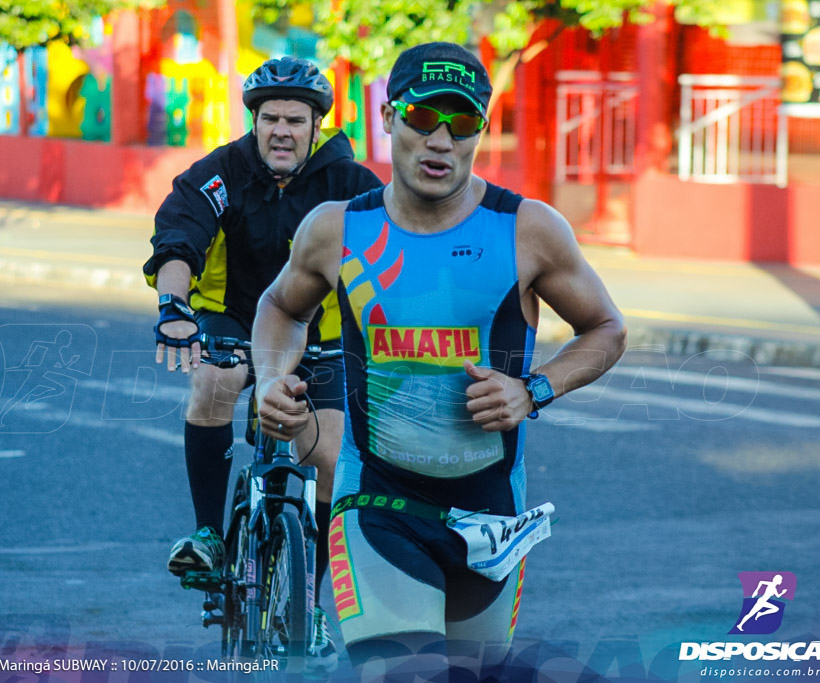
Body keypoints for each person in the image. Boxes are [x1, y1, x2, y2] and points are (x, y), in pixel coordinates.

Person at [251, 42, 627, 680]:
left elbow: (605, 329)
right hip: (378, 501)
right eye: (424, 119)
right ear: (389, 118)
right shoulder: (337, 228)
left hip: (491, 513)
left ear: (482, 127)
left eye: (463, 123)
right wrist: (272, 378)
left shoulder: (527, 229)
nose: (441, 142)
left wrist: (533, 390)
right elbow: (281, 308)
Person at [144, 56, 382, 671]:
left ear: (315, 127)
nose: (281, 130)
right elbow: (179, 240)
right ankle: (207, 537)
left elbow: (395, 250)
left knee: (329, 464)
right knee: (213, 380)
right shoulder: (220, 175)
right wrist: (174, 305)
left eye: (294, 120)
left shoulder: (350, 184)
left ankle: (311, 600)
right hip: (231, 321)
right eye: (269, 118)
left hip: (321, 334)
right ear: (254, 122)